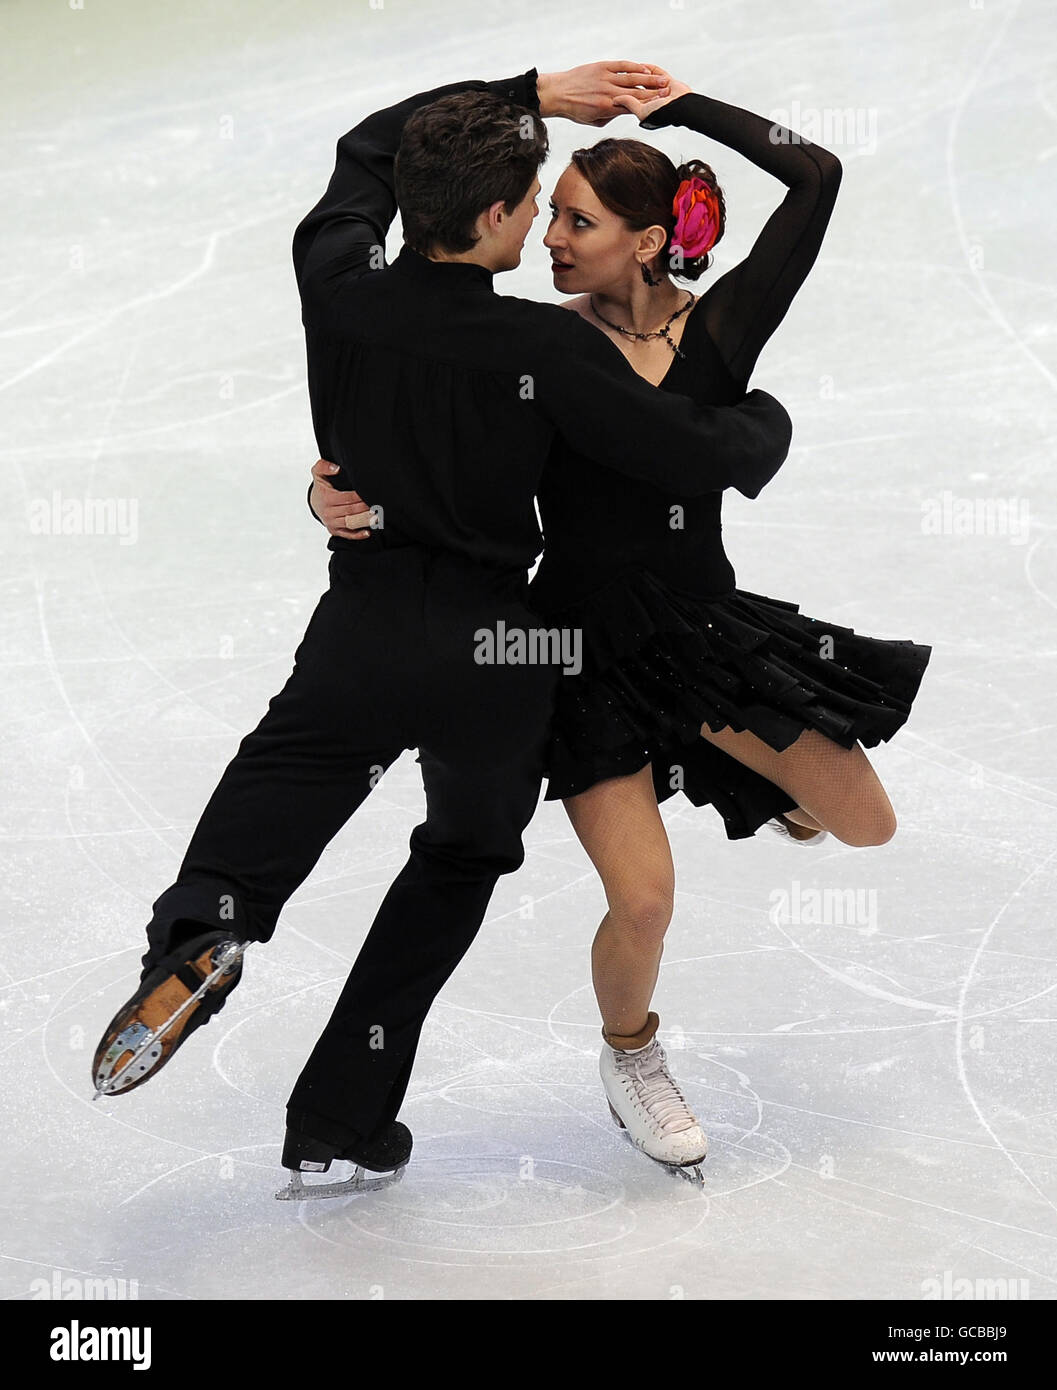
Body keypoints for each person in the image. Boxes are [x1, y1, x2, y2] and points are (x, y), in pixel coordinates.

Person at [92, 61, 794, 1194]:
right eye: (526, 201)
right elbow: (691, 454)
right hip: (497, 653)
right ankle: (340, 1111)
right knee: (461, 853)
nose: (538, 220)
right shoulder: (545, 348)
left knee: (273, 795)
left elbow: (367, 148)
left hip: (361, 628)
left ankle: (201, 935)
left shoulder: (335, 285)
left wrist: (528, 93)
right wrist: (763, 420)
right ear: (487, 218)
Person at [310, 66, 930, 1177]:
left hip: (702, 636)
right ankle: (630, 1053)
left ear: (646, 243)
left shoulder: (723, 332)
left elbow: (815, 171)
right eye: (548, 213)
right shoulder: (539, 350)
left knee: (867, 825)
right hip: (580, 652)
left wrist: (681, 108)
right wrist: (330, 493)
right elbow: (427, 447)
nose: (549, 234)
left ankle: (732, 765)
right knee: (643, 900)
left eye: (578, 220)